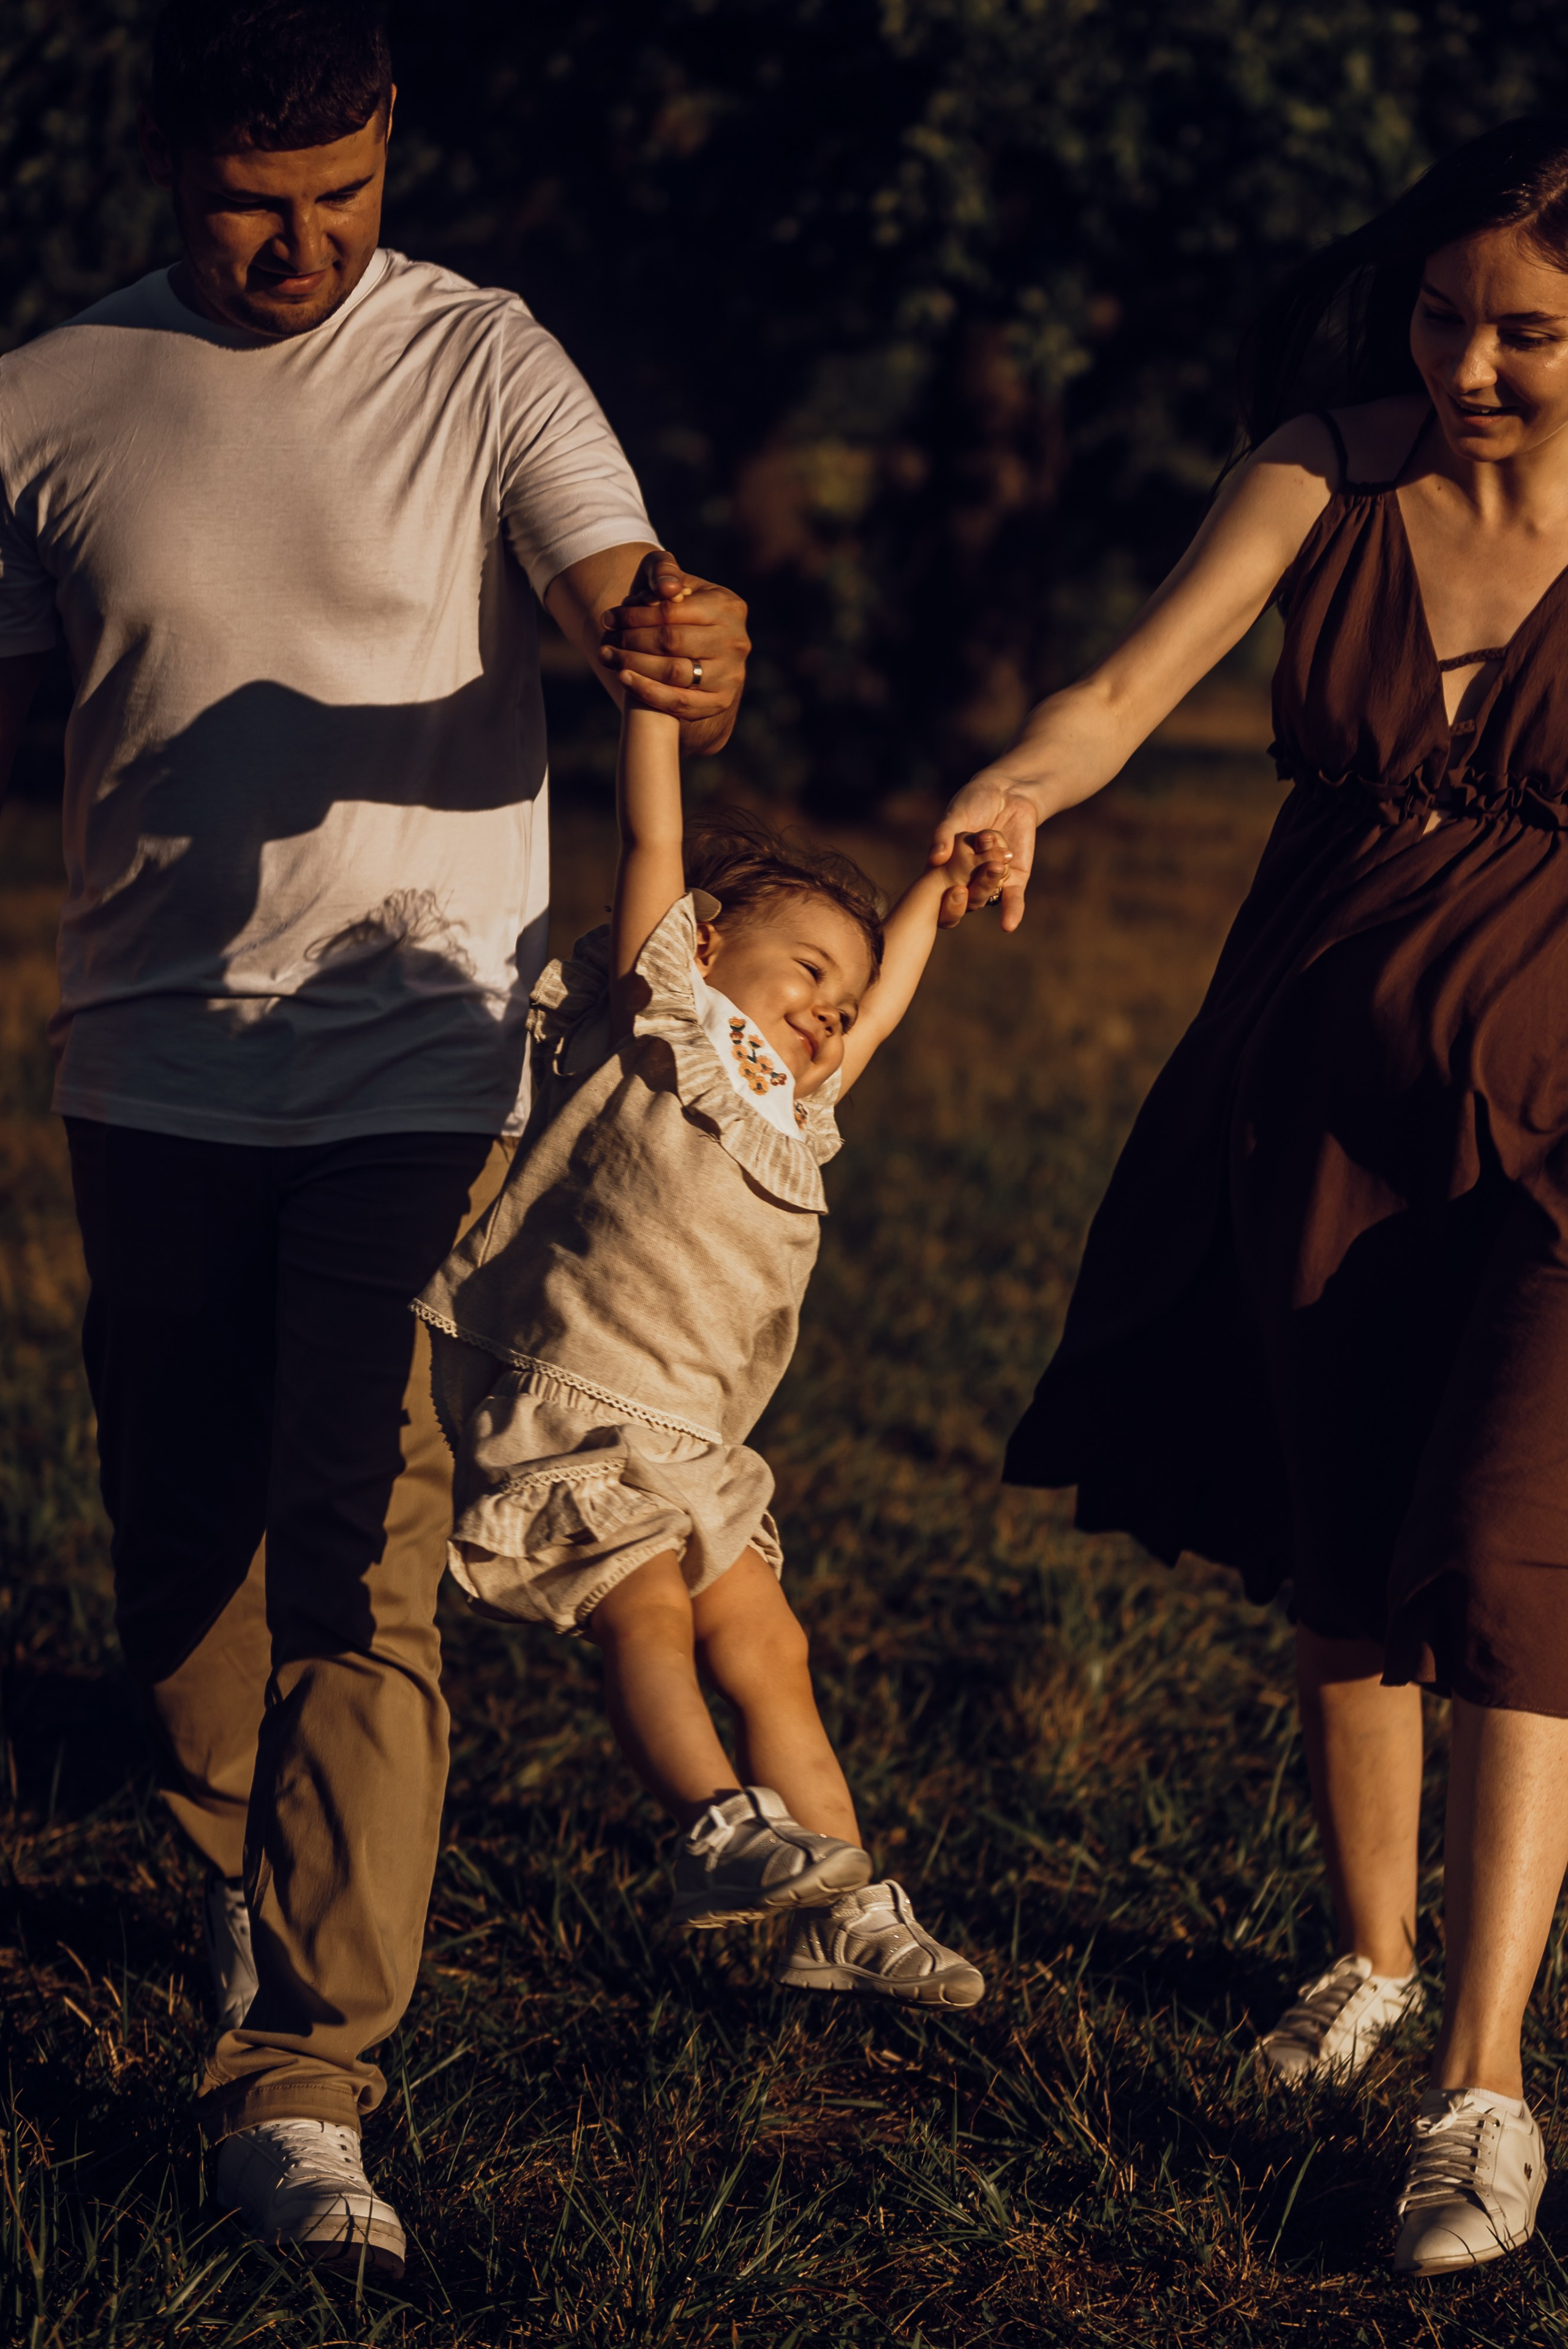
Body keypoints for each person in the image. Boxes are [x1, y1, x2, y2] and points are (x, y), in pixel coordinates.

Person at [0, 0, 752, 2278]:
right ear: (164, 158)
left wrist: (666, 634)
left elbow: (606, 579)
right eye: (254, 200)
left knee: (363, 1530)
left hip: (421, 1046)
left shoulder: (485, 356)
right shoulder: (46, 399)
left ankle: (310, 2072)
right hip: (147, 1060)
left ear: (391, 142)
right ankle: (245, 1880)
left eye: (344, 195)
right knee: (181, 1546)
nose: (303, 244)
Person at [933, 115, 1568, 2278]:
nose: (1469, 365)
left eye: (1529, 334)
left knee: (1502, 1561)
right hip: (1310, 1081)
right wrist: (1024, 777)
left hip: (1560, 1122)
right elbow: (1132, 682)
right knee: (1340, 1532)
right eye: (1442, 314)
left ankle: (1483, 2084)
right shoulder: (1333, 464)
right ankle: (1368, 1963)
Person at [413, 690, 999, 2013]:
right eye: (807, 974)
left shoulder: (791, 1098)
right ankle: (712, 1829)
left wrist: (929, 897)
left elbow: (890, 1003)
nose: (829, 1015)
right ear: (708, 941)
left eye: (839, 1003)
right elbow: (649, 849)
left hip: (693, 1440)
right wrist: (650, 721)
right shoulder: (660, 1015)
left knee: (769, 1647)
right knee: (645, 1613)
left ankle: (841, 1913)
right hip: (574, 1404)